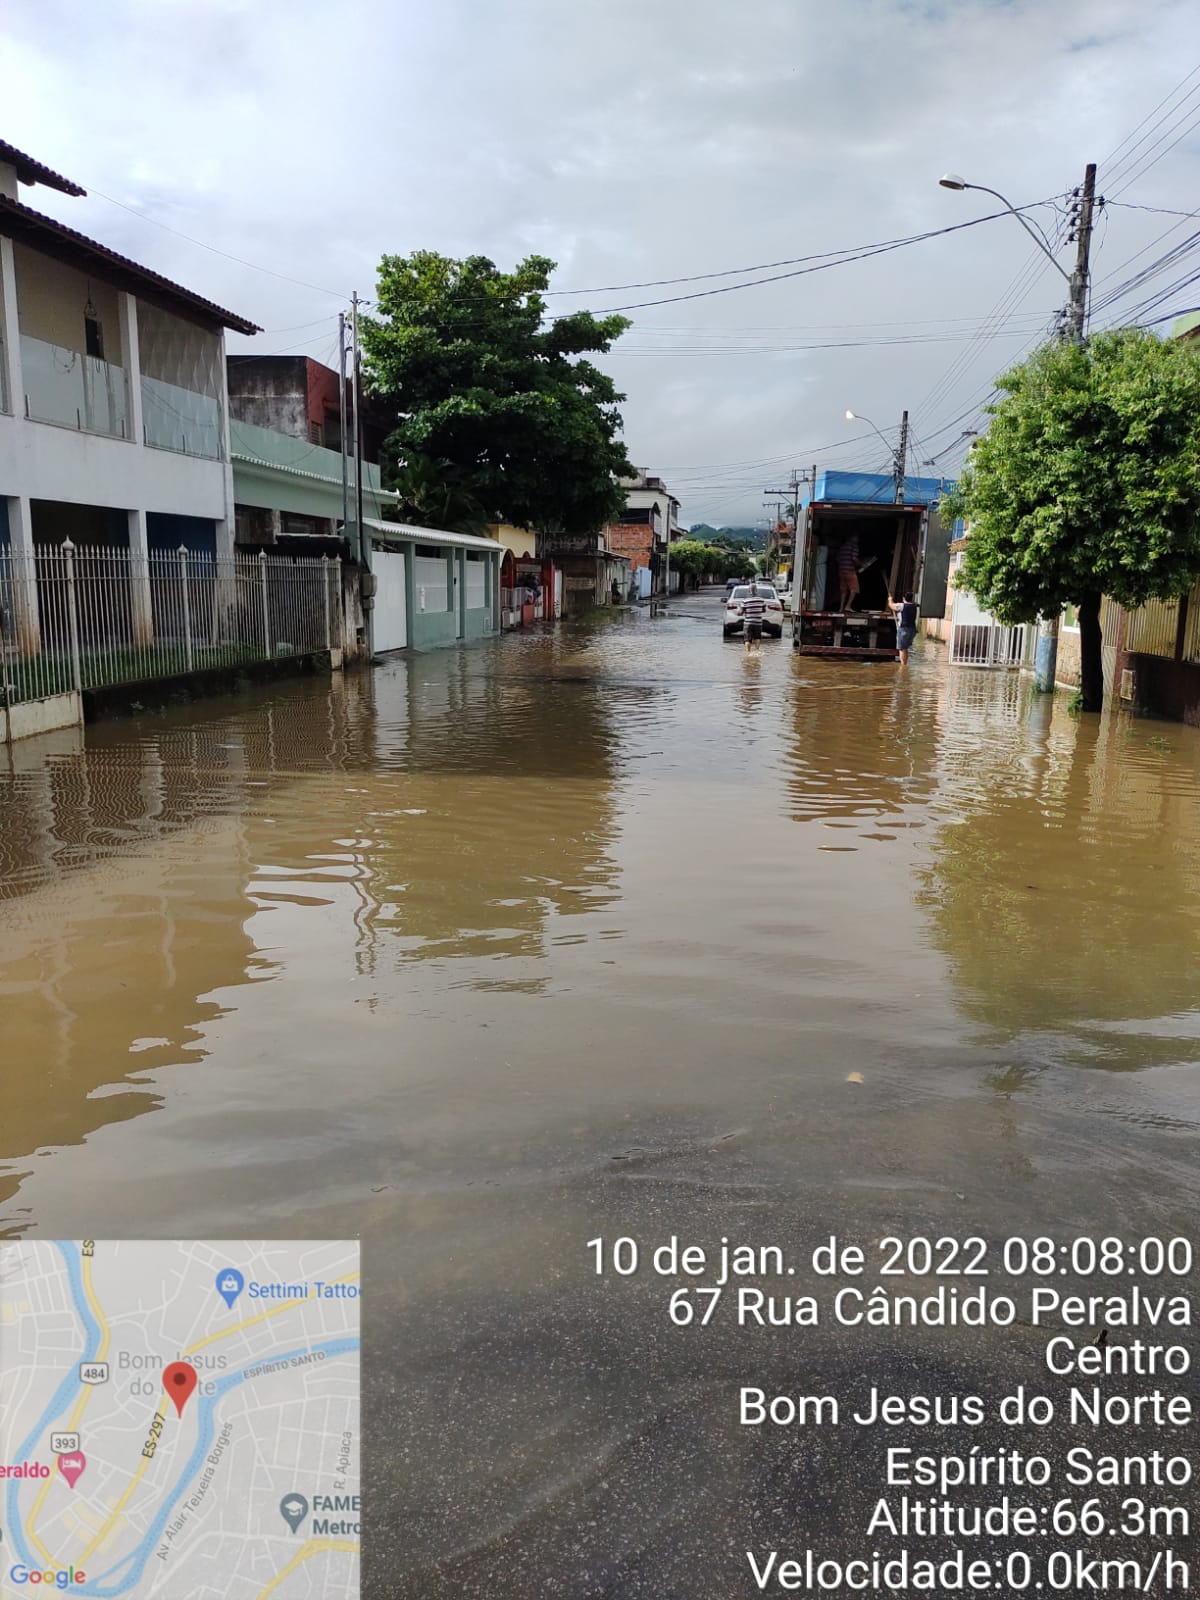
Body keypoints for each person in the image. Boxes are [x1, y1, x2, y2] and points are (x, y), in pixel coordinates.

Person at [889, 590, 919, 665]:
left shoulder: (902, 605)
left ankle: (903, 666)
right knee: (905, 648)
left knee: (902, 649)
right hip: (912, 630)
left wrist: (890, 600)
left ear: (903, 598)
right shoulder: (914, 606)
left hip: (904, 630)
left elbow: (892, 606)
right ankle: (904, 665)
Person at [837, 535, 861, 612]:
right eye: (857, 537)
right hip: (850, 571)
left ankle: (841, 607)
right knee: (854, 589)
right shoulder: (854, 546)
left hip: (841, 571)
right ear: (853, 538)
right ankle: (848, 606)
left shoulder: (842, 547)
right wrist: (861, 564)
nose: (858, 539)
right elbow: (854, 558)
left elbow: (837, 559)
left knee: (843, 590)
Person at [742, 582, 766, 653]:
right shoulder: (761, 600)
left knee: (747, 639)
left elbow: (740, 612)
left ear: (749, 591)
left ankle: (748, 654)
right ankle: (757, 651)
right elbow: (764, 610)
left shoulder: (745, 601)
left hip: (748, 623)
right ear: (756, 590)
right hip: (758, 623)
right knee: (757, 637)